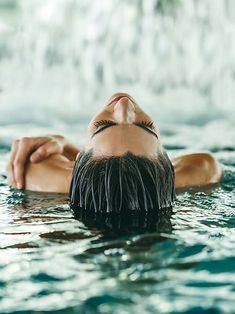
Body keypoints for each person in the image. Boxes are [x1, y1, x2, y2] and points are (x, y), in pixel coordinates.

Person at [6, 93, 223, 216]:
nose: (124, 105)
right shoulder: (202, 169)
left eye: (102, 125)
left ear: (75, 170)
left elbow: (31, 165)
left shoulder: (37, 175)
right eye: (146, 126)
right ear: (170, 171)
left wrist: (66, 145)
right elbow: (205, 164)